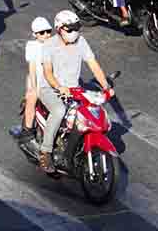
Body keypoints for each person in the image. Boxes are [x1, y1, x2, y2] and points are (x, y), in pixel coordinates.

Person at [37, 9, 112, 174]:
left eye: (76, 28)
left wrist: (106, 86)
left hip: (74, 90)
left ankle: (73, 150)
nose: (74, 32)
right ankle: (46, 152)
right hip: (50, 89)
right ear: (59, 29)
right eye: (70, 29)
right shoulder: (49, 45)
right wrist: (58, 87)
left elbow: (94, 65)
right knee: (59, 110)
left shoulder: (81, 42)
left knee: (88, 113)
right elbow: (47, 72)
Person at [10, 15, 54, 143]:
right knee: (31, 98)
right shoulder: (32, 47)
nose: (46, 35)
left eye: (48, 31)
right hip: (39, 82)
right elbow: (32, 69)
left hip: (53, 82)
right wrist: (34, 88)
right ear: (35, 34)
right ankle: (27, 130)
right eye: (42, 33)